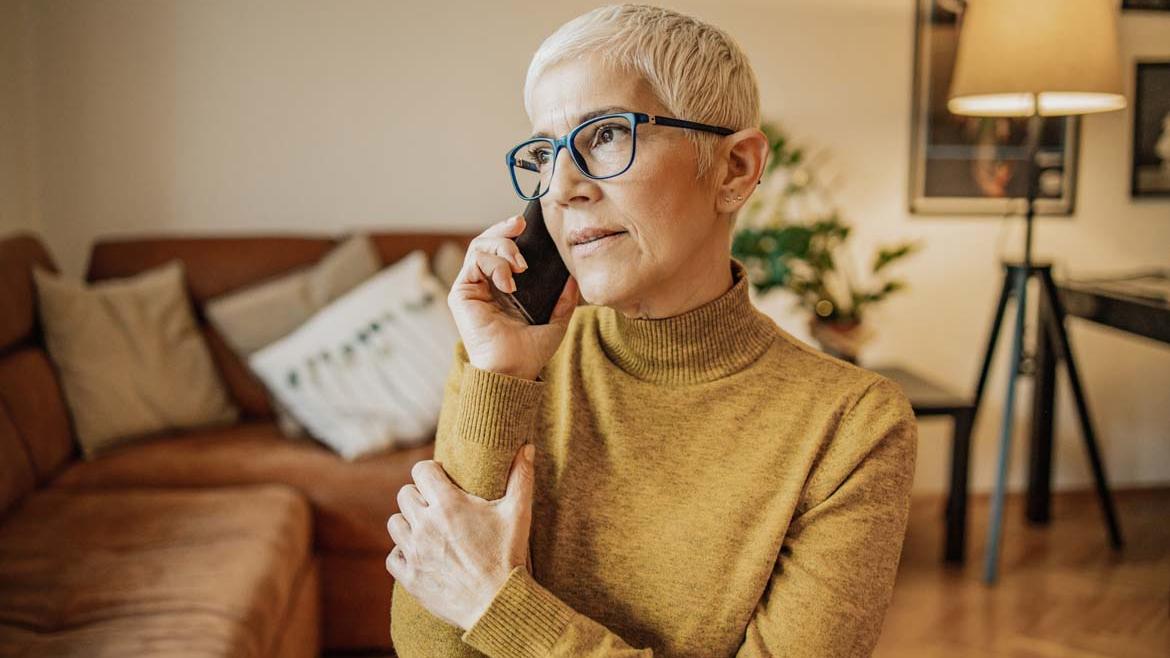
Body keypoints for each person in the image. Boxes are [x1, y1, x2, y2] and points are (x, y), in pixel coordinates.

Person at [386, 4, 918, 656]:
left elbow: (469, 602)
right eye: (546, 153)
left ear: (735, 169)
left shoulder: (853, 426)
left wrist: (496, 606)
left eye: (606, 135)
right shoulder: (504, 358)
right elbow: (424, 650)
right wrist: (499, 375)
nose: (562, 188)